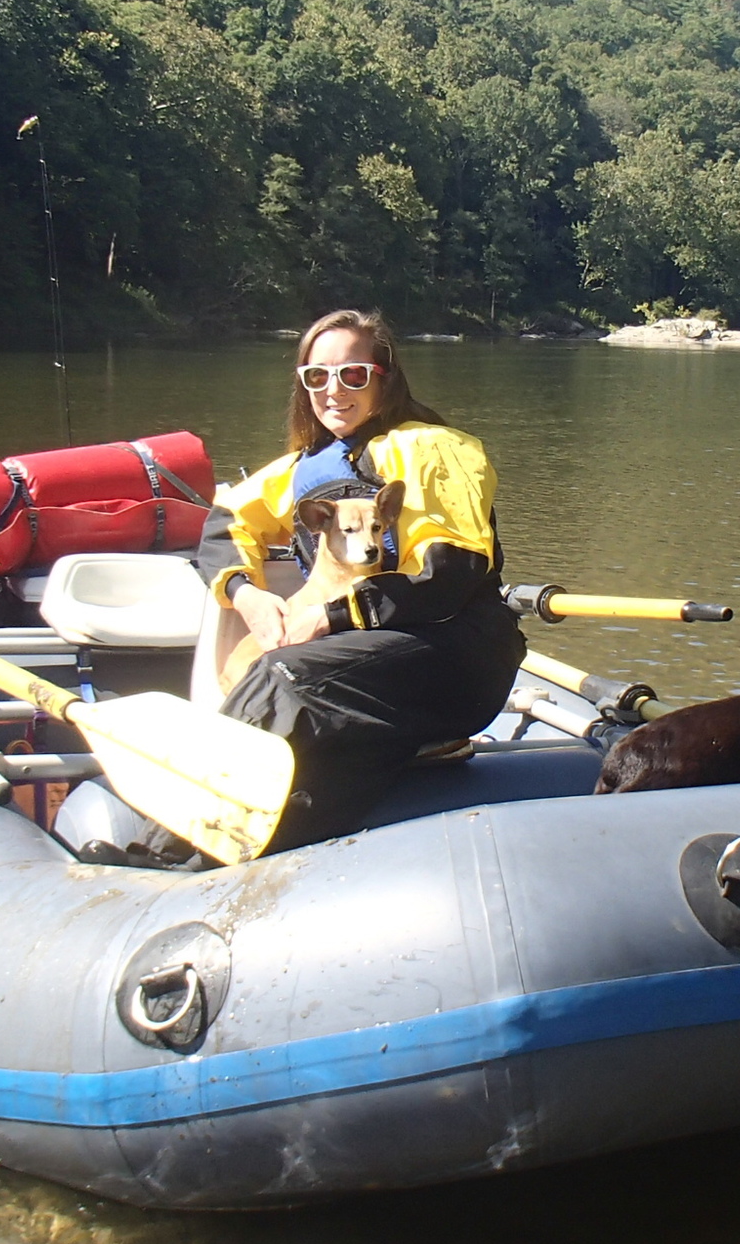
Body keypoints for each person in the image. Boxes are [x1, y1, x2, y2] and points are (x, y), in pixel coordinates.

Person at [197, 309, 524, 846]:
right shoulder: (299, 470)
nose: (333, 390)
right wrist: (248, 596)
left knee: (285, 674)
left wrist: (328, 617)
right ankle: (254, 841)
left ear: (383, 378)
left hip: (453, 655)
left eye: (352, 375)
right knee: (288, 681)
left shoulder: (432, 448)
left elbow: (450, 575)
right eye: (317, 376)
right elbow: (225, 524)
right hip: (368, 658)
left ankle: (189, 832)